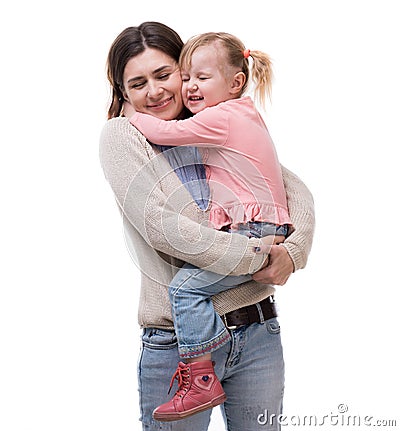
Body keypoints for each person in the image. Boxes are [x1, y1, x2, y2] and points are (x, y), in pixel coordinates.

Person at [100, 21, 315, 431]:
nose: (156, 91)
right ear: (122, 93)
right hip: (176, 344)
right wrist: (260, 255)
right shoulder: (123, 136)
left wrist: (293, 251)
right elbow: (167, 230)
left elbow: (293, 191)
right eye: (138, 83)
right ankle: (197, 377)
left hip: (256, 331)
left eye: (165, 75)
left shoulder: (215, 125)